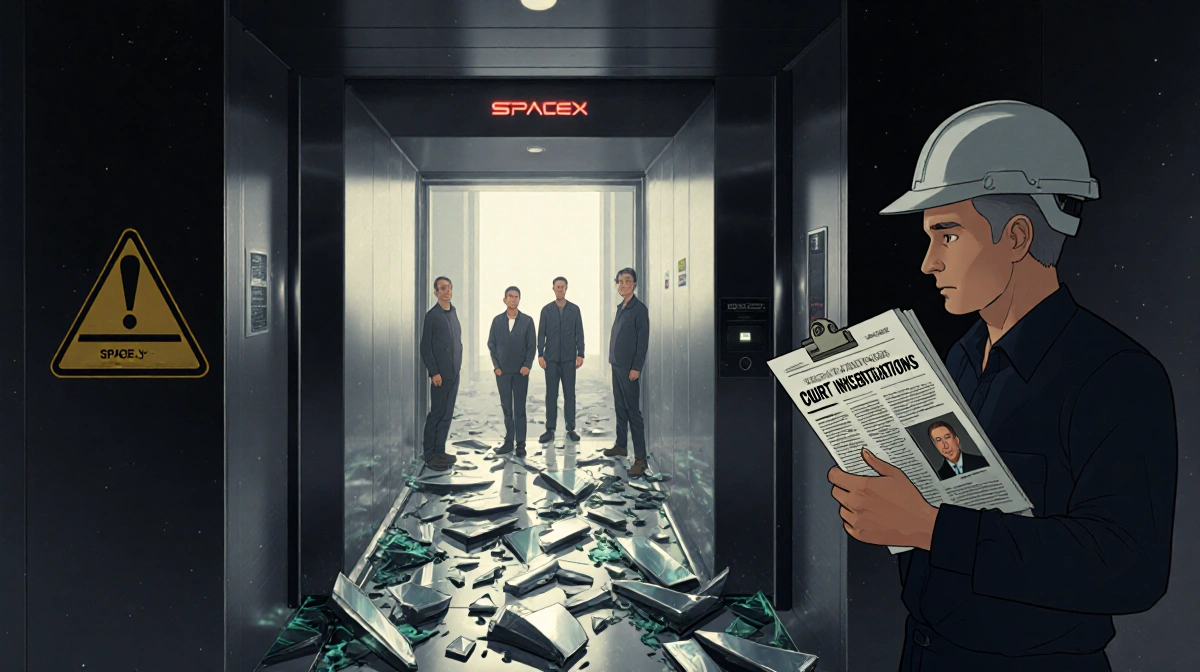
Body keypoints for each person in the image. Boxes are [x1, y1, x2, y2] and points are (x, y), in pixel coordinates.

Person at [826, 101, 1177, 671]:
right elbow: (957, 489)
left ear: (1016, 237)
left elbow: (1130, 566)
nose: (928, 263)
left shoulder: (1115, 376)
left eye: (947, 235)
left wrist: (931, 527)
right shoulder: (959, 360)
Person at [603, 268, 650, 477]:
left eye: (628, 281)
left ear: (635, 284)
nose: (623, 285)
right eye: (620, 281)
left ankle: (641, 459)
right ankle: (621, 445)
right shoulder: (621, 307)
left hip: (629, 368)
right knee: (620, 408)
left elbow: (642, 342)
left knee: (633, 413)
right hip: (617, 364)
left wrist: (636, 368)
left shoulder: (639, 309)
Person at [418, 276, 462, 471]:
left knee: (447, 414)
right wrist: (434, 372)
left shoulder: (453, 313)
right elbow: (425, 347)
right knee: (436, 413)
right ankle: (430, 455)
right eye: (443, 288)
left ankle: (440, 451)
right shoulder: (432, 316)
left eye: (449, 287)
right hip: (440, 376)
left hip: (454, 373)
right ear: (436, 293)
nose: (447, 291)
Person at [487, 286, 536, 457]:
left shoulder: (527, 321)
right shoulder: (497, 321)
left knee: (520, 408)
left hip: (521, 372)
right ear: (504, 299)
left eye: (516, 297)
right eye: (510, 296)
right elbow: (491, 344)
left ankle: (520, 444)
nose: (513, 299)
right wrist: (496, 366)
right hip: (503, 372)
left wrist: (527, 365)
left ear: (519, 299)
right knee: (507, 408)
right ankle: (509, 442)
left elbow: (532, 346)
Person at [537, 276, 585, 444]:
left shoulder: (574, 310)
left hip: (569, 359)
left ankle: (570, 428)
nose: (560, 289)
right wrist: (540, 355)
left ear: (566, 288)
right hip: (550, 359)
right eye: (557, 287)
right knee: (551, 395)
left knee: (569, 394)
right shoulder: (546, 310)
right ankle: (550, 430)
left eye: (562, 287)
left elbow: (579, 332)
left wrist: (581, 354)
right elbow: (541, 334)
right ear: (553, 288)